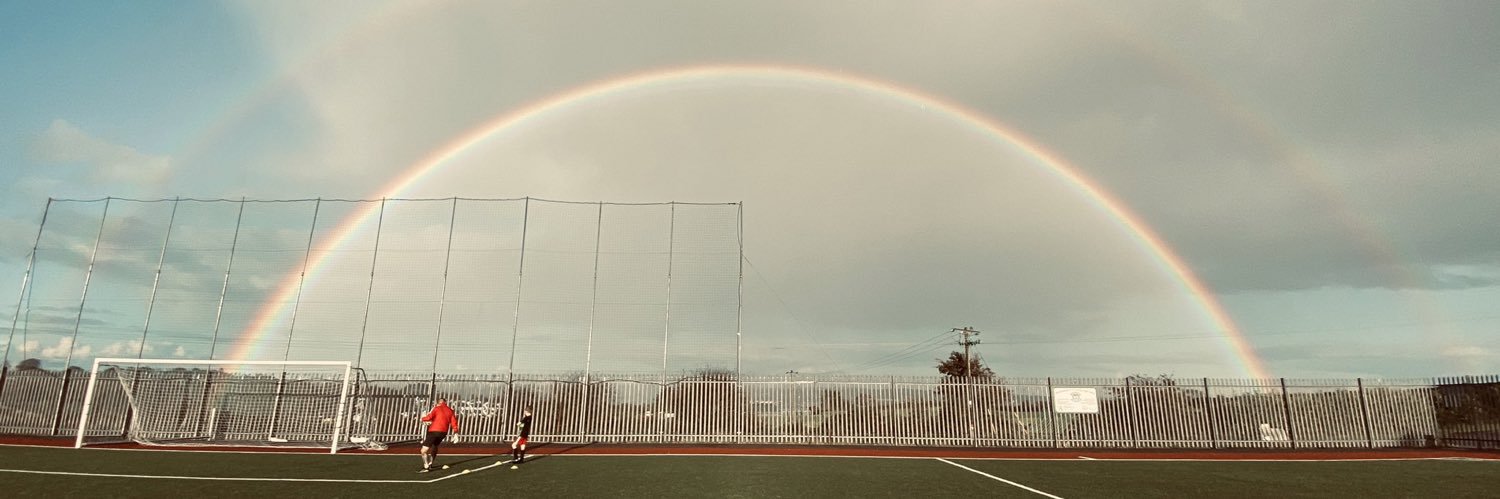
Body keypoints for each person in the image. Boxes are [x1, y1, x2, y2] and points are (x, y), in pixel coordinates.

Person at [419, 398, 458, 473]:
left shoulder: (436, 408)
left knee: (423, 451)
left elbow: (429, 417)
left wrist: (422, 419)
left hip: (433, 431)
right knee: (435, 446)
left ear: (438, 403)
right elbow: (454, 422)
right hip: (443, 433)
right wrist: (456, 433)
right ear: (445, 403)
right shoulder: (450, 410)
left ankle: (426, 466)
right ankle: (430, 463)